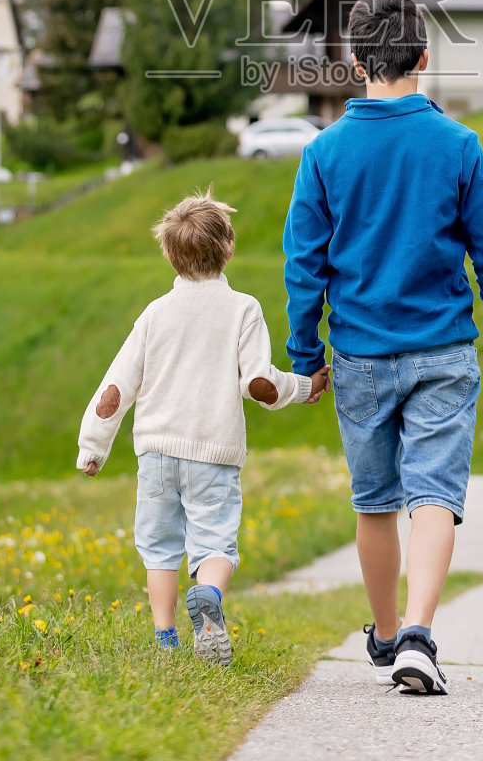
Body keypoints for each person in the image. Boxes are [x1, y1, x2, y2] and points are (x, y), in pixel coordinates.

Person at [283, 0, 483, 695]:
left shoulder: (324, 152)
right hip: (442, 350)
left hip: (357, 354)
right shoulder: (457, 144)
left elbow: (304, 265)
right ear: (422, 56)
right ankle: (420, 633)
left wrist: (306, 356)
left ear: (356, 63)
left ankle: (387, 638)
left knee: (374, 502)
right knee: (434, 497)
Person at [77, 189, 330, 664]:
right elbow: (258, 383)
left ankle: (166, 640)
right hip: (213, 452)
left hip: (156, 452)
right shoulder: (243, 308)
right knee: (214, 541)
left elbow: (117, 386)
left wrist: (92, 447)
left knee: (159, 548)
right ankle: (209, 594)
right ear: (229, 248)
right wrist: (304, 385)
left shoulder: (155, 314)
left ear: (168, 255)